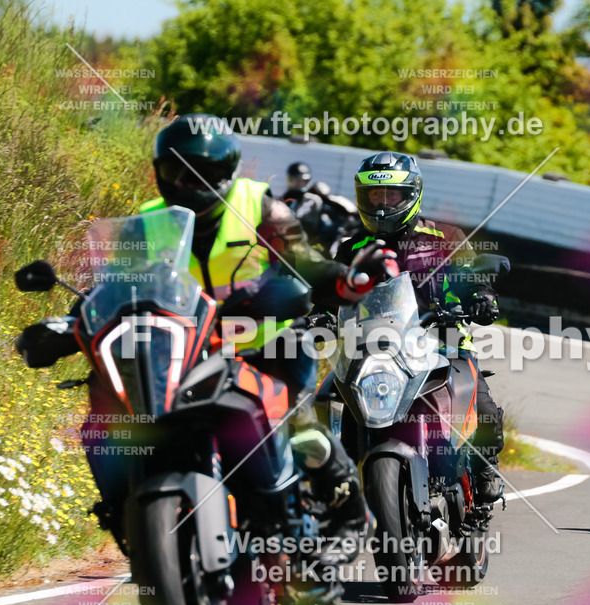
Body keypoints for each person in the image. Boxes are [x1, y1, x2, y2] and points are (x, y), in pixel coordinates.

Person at [128, 115, 396, 547]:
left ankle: (350, 511)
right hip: (187, 351)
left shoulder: (262, 207)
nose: (192, 183)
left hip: (270, 344)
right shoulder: (147, 222)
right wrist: (76, 319)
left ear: (228, 171)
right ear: (162, 172)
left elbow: (305, 262)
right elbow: (117, 284)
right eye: (180, 171)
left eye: (207, 172)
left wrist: (345, 279)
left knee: (303, 429)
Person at [337, 152, 506, 504]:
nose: (382, 205)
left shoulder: (444, 236)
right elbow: (330, 292)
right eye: (375, 196)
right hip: (375, 351)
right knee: (333, 404)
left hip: (442, 340)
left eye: (391, 195)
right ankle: (344, 494)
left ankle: (485, 469)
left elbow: (472, 273)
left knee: (484, 408)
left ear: (411, 195)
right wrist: (315, 315)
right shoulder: (352, 248)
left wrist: (482, 296)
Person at [281, 161, 325, 241]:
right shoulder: (284, 198)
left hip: (305, 240)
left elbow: (300, 217)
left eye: (299, 180)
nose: (297, 183)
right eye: (294, 179)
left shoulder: (312, 200)